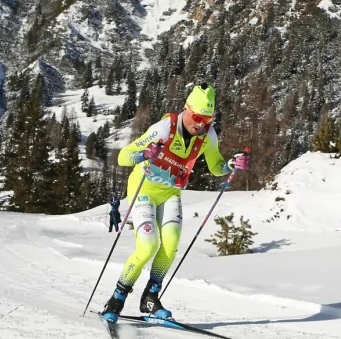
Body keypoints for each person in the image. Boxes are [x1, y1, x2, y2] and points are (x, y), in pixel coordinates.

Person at [101, 83, 250, 323]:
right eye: (198, 117)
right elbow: (123, 156)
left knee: (170, 245)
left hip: (171, 193)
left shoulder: (208, 135)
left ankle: (150, 297)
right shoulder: (163, 128)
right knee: (148, 246)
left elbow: (216, 167)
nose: (201, 124)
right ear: (186, 109)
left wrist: (231, 165)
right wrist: (144, 154)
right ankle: (117, 299)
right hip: (144, 190)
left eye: (208, 119)